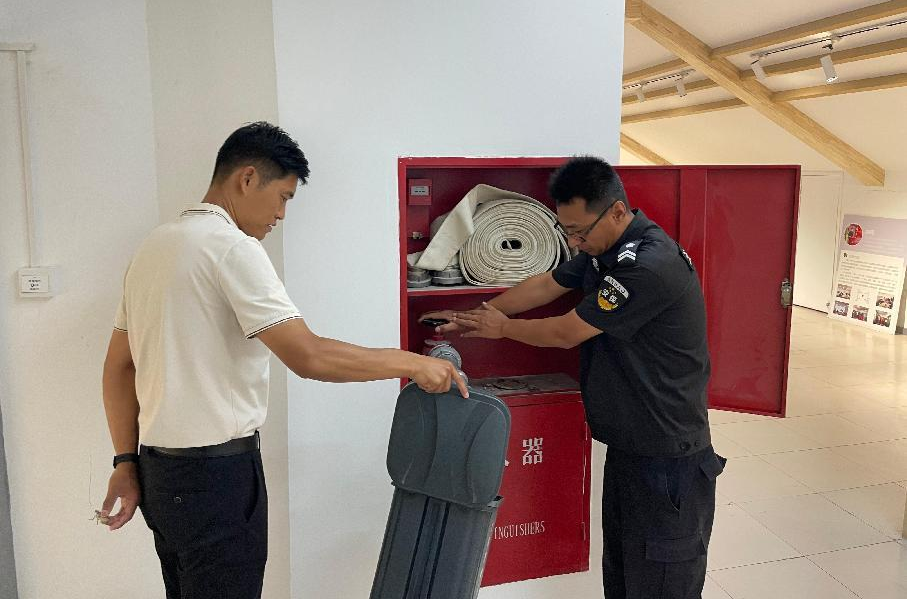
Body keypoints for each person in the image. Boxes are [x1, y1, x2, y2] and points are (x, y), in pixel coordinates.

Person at [101, 122, 467, 599]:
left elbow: (118, 366)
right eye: (283, 197)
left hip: (160, 474)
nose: (281, 214)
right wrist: (414, 364)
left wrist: (125, 461)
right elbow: (308, 356)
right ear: (247, 178)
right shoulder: (232, 248)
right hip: (215, 479)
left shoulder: (155, 246)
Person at [423, 156, 724, 599]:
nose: (574, 242)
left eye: (580, 232)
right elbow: (548, 284)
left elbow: (567, 332)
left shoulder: (647, 265)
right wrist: (477, 316)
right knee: (624, 575)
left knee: (662, 583)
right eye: (567, 232)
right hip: (631, 447)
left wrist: (501, 329)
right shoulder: (604, 251)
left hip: (668, 457)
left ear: (617, 211)